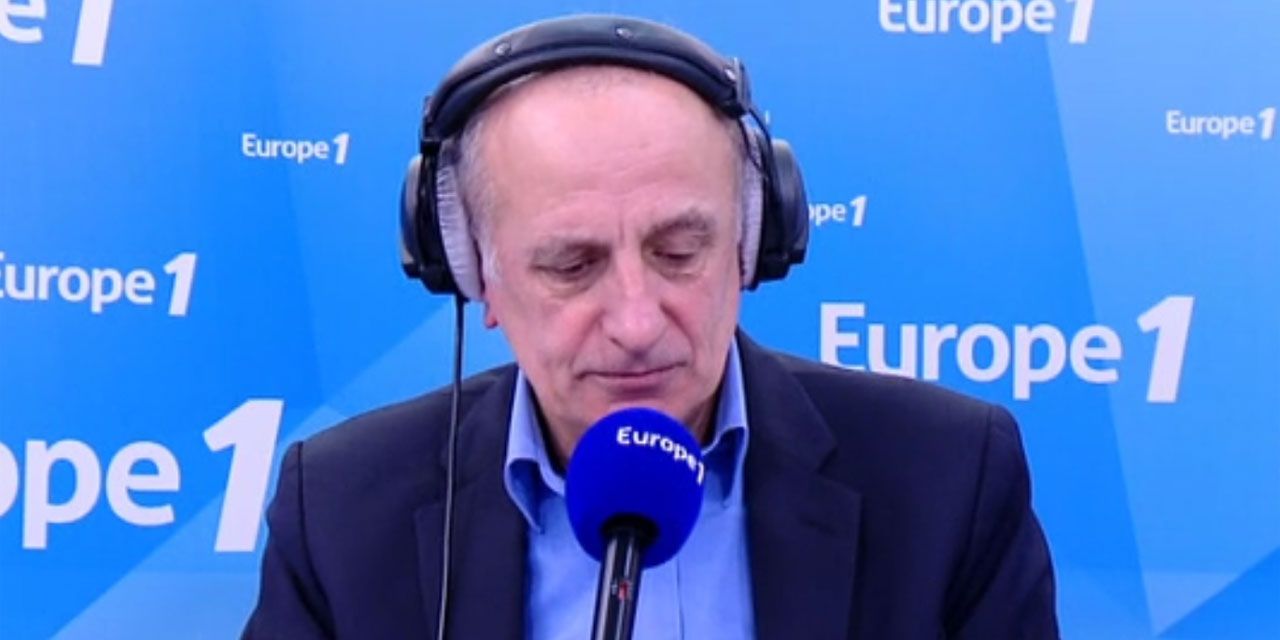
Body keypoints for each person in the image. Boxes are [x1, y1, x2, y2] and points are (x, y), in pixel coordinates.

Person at [243, 14, 1058, 640]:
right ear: (473, 274)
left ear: (751, 244)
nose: (636, 322)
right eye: (572, 265)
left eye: (678, 252)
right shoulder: (343, 514)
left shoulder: (947, 478)